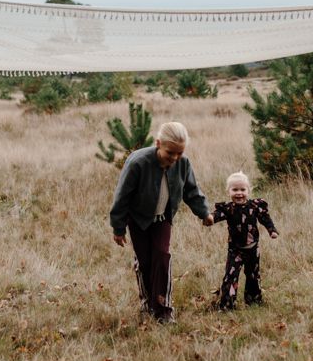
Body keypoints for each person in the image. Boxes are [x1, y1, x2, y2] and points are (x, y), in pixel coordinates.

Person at [109, 122, 212, 324]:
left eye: (179, 153)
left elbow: (192, 190)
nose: (174, 158)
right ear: (158, 144)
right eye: (170, 153)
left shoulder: (183, 164)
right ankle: (148, 302)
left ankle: (163, 309)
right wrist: (118, 227)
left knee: (162, 257)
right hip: (138, 218)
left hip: (163, 218)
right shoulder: (138, 163)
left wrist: (204, 213)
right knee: (145, 262)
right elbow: (122, 196)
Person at [208, 171, 278, 310]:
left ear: (248, 190)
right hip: (235, 250)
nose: (239, 193)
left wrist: (272, 230)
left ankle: (253, 301)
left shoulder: (255, 206)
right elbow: (215, 216)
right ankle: (227, 305)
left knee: (253, 275)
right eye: (235, 190)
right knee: (230, 276)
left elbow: (265, 218)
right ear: (228, 191)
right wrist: (208, 218)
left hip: (253, 249)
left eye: (242, 189)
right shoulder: (228, 209)